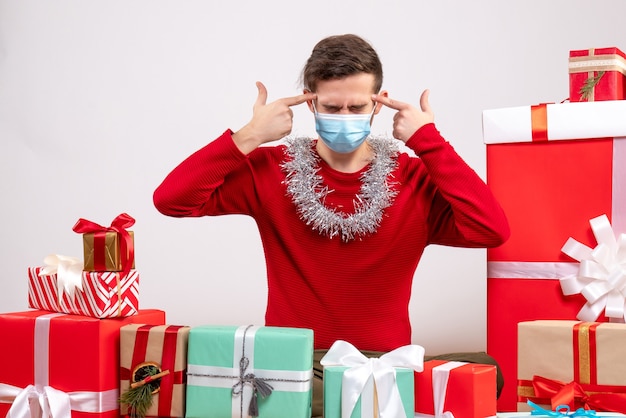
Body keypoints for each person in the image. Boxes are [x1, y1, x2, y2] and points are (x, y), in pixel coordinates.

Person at [153, 34, 510, 416]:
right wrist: (249, 136)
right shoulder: (272, 170)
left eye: (356, 106)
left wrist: (428, 142)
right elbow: (171, 200)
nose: (343, 117)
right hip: (297, 363)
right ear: (310, 101)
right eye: (331, 106)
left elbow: (491, 229)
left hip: (384, 365)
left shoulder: (413, 178)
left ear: (378, 103)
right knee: (307, 397)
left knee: (488, 373)